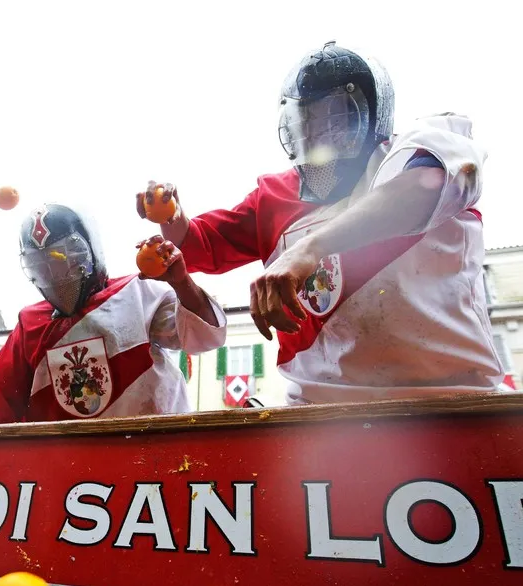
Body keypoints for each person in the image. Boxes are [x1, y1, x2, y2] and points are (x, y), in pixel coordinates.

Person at [139, 41, 505, 405]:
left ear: (372, 117)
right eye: (306, 123)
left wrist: (310, 247)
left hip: (452, 400)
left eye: (335, 120)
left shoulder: (422, 149)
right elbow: (197, 244)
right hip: (319, 415)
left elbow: (426, 187)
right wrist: (171, 215)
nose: (317, 137)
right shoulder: (272, 197)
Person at [0, 203, 226, 424]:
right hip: (72, 466)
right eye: (41, 266)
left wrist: (182, 283)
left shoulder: (137, 293)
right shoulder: (29, 326)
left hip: (158, 452)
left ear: (91, 250)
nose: (56, 275)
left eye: (63, 258)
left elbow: (205, 337)